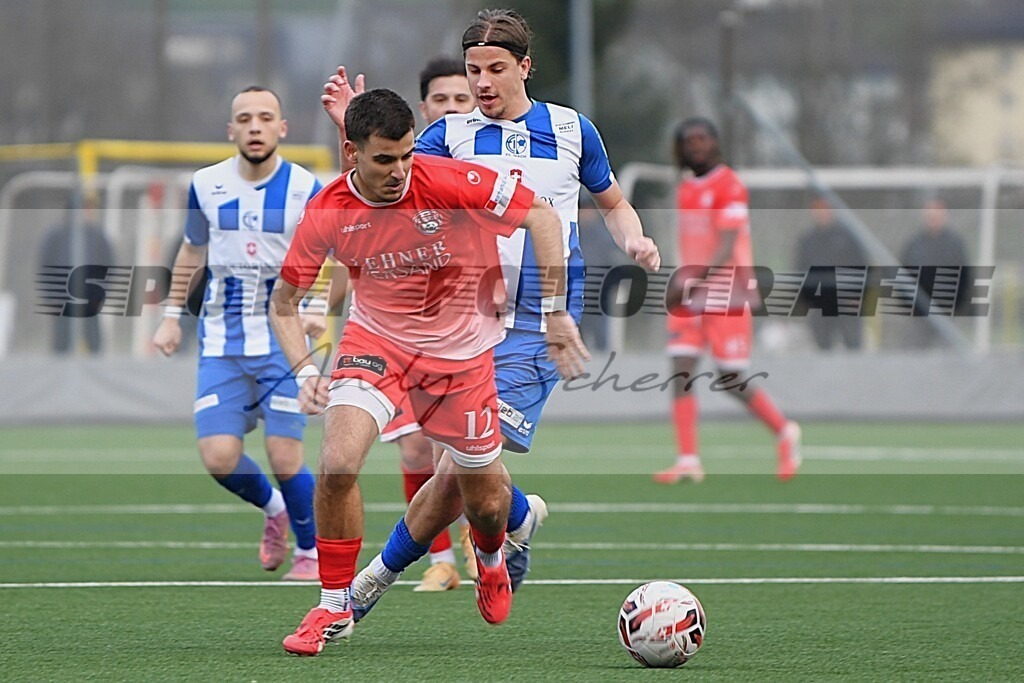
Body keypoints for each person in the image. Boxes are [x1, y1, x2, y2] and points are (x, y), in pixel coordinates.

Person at [319, 8, 660, 622]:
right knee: (468, 474)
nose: (482, 82)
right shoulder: (448, 135)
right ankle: (518, 518)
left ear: (524, 67)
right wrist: (351, 119)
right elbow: (384, 172)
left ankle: (369, 585)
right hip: (461, 323)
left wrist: (634, 238)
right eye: (474, 69)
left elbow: (612, 203)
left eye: (496, 69)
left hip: (535, 327)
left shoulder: (572, 128)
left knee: (455, 473)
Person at [272, 88, 585, 655]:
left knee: (486, 505)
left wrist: (557, 312)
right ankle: (332, 605)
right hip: (376, 345)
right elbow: (284, 303)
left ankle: (490, 555)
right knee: (338, 463)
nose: (399, 172)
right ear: (352, 154)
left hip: (462, 358)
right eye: (383, 160)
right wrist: (303, 371)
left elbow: (541, 214)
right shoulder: (328, 210)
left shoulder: (447, 181)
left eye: (407, 156)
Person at [152, 86, 325, 581]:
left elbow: (328, 254)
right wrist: (170, 315)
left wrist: (314, 307)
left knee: (285, 453)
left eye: (265, 117)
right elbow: (192, 251)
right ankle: (273, 510)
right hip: (221, 340)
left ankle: (311, 552)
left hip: (283, 339)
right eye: (244, 118)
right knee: (219, 456)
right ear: (231, 130)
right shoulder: (205, 184)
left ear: (281, 128)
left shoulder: (304, 188)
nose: (255, 126)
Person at [377, 56, 478, 592]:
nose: (452, 109)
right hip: (395, 328)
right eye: (441, 100)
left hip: (461, 329)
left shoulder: (469, 177)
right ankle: (441, 560)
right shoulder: (399, 169)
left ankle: (488, 527)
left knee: (452, 453)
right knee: (415, 448)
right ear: (424, 110)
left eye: (463, 100)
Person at [654, 117, 801, 485]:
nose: (697, 145)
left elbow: (727, 244)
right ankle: (688, 459)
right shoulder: (686, 188)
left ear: (716, 143)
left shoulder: (730, 184)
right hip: (692, 294)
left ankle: (785, 431)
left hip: (727, 292)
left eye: (703, 138)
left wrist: (687, 281)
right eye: (689, 140)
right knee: (680, 370)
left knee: (731, 378)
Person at [40, 196, 114, 354]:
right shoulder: (55, 237)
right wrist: (50, 295)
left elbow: (110, 264)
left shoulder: (97, 237)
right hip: (62, 298)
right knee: (61, 343)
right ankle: (59, 375)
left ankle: (96, 373)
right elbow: (45, 267)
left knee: (94, 342)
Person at [794, 196, 866, 350]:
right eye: (817, 209)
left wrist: (857, 294)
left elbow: (861, 266)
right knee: (822, 345)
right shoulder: (808, 240)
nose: (821, 213)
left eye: (824, 208)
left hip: (846, 301)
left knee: (853, 343)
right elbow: (800, 270)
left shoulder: (847, 237)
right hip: (820, 302)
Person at [899, 196, 969, 349]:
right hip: (920, 312)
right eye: (930, 215)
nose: (933, 219)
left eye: (937, 215)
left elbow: (963, 276)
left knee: (948, 355)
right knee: (915, 353)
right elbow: (903, 275)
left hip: (946, 310)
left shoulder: (955, 244)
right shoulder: (914, 244)